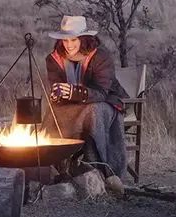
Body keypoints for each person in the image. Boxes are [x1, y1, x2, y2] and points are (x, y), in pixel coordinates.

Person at [45, 15, 127, 196]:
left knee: (93, 111)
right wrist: (57, 94)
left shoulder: (100, 57)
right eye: (65, 40)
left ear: (83, 39)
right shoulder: (54, 58)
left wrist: (76, 92)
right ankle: (55, 164)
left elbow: (102, 92)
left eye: (73, 39)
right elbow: (55, 84)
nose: (69, 44)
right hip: (72, 105)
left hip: (105, 103)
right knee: (52, 113)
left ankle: (97, 165)